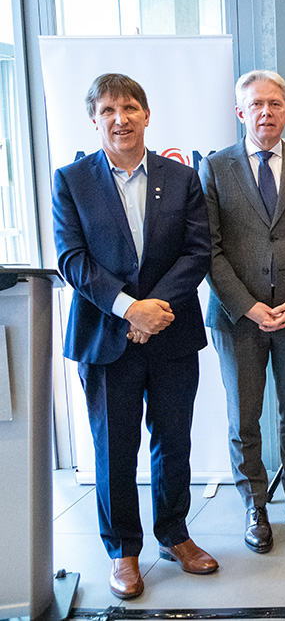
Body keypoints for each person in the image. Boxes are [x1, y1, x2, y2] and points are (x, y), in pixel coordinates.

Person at [52, 73, 216, 600]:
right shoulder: (71, 180)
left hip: (171, 332)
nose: (119, 118)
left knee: (174, 442)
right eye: (107, 110)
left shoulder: (182, 176)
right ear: (94, 119)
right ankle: (123, 551)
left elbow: (198, 250)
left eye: (129, 108)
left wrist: (155, 309)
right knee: (113, 449)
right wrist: (129, 308)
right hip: (107, 335)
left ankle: (174, 535)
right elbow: (71, 259)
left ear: (147, 115)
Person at [200, 70, 285, 553]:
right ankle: (255, 504)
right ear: (241, 113)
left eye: (275, 104)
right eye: (256, 105)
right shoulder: (214, 169)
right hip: (238, 319)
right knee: (244, 419)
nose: (266, 112)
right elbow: (209, 251)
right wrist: (249, 306)